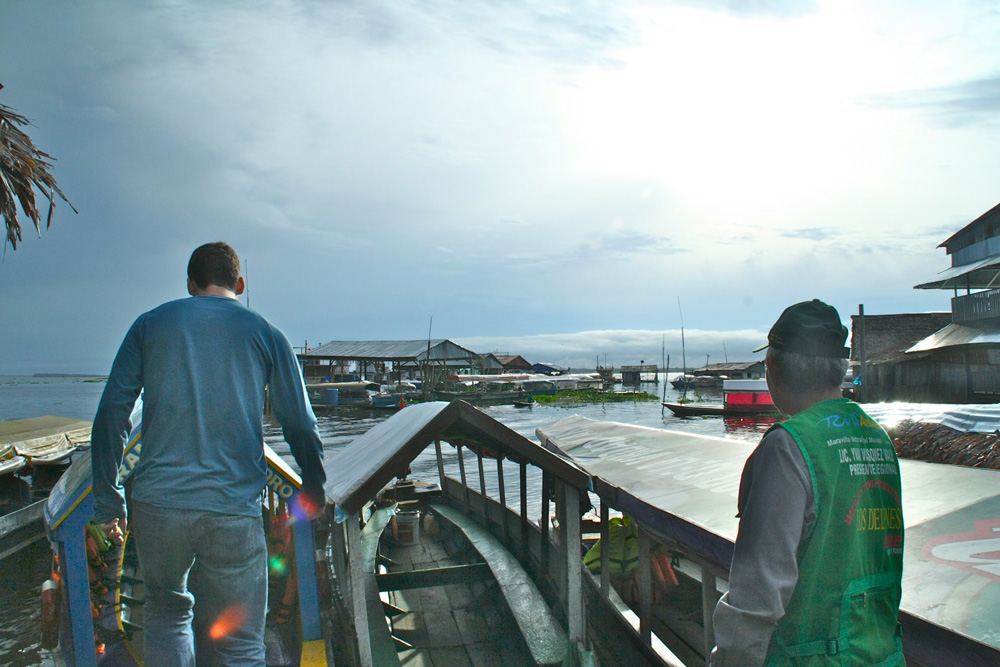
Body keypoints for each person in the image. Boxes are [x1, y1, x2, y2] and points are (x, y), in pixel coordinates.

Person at [91, 242, 327, 667]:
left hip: (158, 505)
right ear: (239, 283)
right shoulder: (266, 334)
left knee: (167, 617)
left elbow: (111, 414)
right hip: (233, 510)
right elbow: (301, 425)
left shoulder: (149, 325)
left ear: (190, 286)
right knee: (239, 643)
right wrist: (314, 486)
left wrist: (110, 499)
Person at [710, 299, 904, 666]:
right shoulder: (878, 439)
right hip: (883, 657)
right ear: (838, 370)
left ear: (772, 368)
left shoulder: (787, 448)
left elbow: (756, 599)